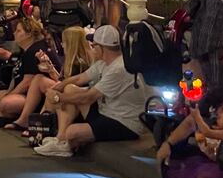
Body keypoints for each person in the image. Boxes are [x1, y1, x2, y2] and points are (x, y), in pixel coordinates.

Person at [34, 24, 153, 157]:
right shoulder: (104, 63)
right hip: (106, 112)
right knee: (69, 89)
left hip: (124, 122)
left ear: (102, 48)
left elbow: (88, 97)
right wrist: (58, 87)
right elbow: (79, 79)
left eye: (94, 45)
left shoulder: (119, 68)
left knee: (72, 132)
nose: (91, 48)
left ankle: (67, 141)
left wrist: (58, 98)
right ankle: (61, 139)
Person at [146, 61, 223, 178]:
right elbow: (192, 122)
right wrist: (168, 143)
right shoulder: (218, 97)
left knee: (207, 177)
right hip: (212, 155)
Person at [14, 26, 94, 136]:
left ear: (72, 44)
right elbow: (62, 80)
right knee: (39, 78)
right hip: (67, 90)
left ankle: (40, 125)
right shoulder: (69, 60)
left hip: (76, 97)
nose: (61, 45)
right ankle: (32, 121)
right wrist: (50, 68)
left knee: (53, 90)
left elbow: (69, 84)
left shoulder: (80, 63)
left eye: (64, 42)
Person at [0, 16, 60, 129]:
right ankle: (5, 119)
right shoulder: (26, 50)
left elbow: (27, 83)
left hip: (40, 96)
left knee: (4, 103)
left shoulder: (34, 50)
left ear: (29, 34)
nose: (14, 33)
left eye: (18, 31)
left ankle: (21, 118)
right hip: (30, 92)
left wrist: (10, 95)